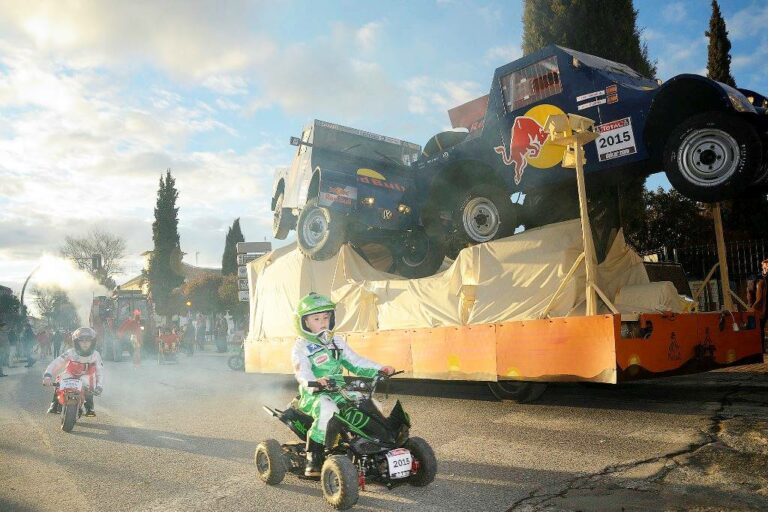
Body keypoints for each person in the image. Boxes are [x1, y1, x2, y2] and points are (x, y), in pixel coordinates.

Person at [291, 292, 395, 477]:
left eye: (326, 317)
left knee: (371, 404)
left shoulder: (336, 341)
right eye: (316, 319)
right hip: (315, 393)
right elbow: (302, 371)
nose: (323, 322)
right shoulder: (301, 347)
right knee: (328, 411)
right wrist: (314, 382)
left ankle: (374, 446)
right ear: (305, 323)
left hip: (339, 389)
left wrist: (380, 369)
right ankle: (313, 456)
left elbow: (356, 362)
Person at [42, 326, 103, 416]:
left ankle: (89, 407)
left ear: (93, 342)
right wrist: (47, 376)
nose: (85, 343)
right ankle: (55, 403)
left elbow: (99, 372)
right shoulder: (70, 352)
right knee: (60, 379)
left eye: (88, 340)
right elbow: (56, 363)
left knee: (88, 384)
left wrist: (99, 386)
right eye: (81, 340)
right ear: (76, 342)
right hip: (70, 374)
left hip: (86, 377)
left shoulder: (96, 355)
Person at [750, 259, 768, 351]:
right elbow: (754, 293)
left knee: (760, 328)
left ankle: (761, 349)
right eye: (764, 266)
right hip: (763, 308)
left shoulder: (759, 279)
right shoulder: (759, 279)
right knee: (760, 328)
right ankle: (761, 349)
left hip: (763, 307)